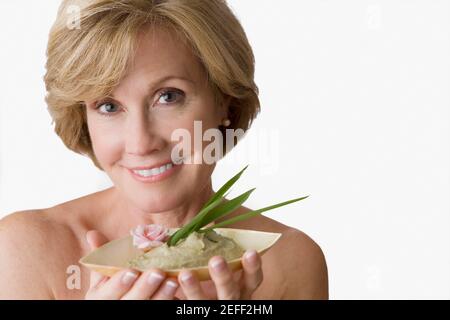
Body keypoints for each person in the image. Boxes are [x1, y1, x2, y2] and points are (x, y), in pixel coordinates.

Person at [0, 0, 328, 299]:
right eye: (109, 106)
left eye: (168, 96)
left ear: (224, 102)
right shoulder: (23, 252)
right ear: (83, 118)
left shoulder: (289, 261)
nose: (141, 142)